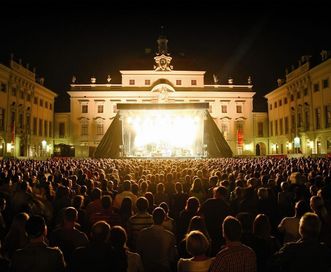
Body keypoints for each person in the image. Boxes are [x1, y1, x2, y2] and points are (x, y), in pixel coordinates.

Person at [137, 207, 178, 272]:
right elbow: (172, 257)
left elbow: (138, 252)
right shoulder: (170, 236)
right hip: (164, 268)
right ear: (164, 218)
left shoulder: (142, 233)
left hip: (147, 267)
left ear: (152, 217)